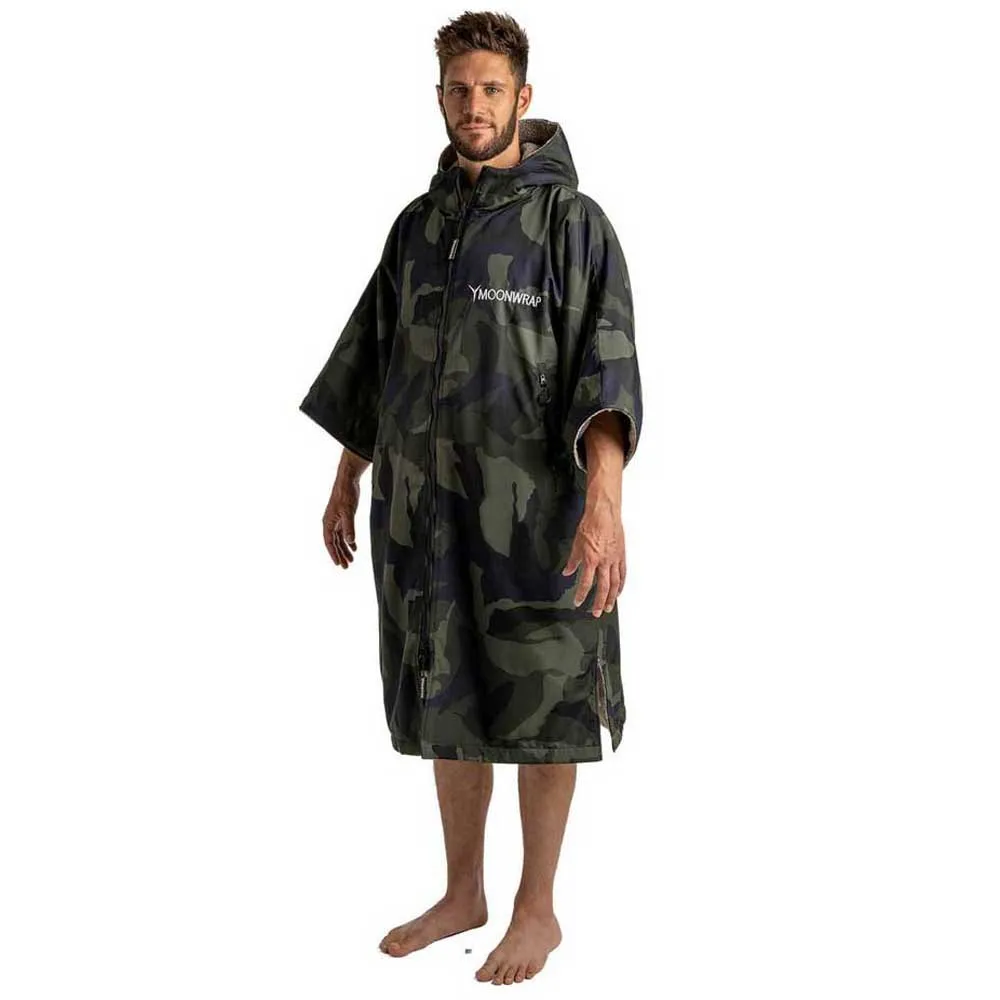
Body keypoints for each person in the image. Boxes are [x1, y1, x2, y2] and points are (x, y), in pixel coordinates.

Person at [298, 11, 642, 986]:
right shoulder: (418, 227)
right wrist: (347, 475)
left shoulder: (571, 224)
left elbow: (606, 369)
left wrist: (605, 502)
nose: (474, 105)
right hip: (423, 516)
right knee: (444, 687)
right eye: (459, 90)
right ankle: (463, 891)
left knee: (542, 695)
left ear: (522, 97)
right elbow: (375, 358)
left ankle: (537, 907)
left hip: (536, 519)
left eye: (492, 89)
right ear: (440, 98)